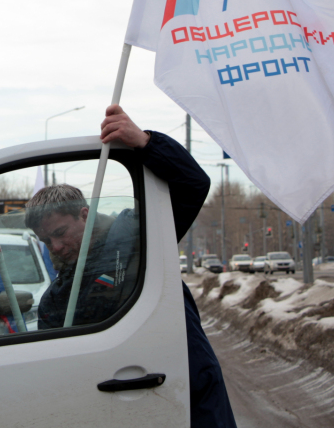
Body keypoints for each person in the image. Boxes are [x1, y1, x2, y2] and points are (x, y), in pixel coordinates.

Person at [25, 104, 237, 428]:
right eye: (45, 240)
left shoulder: (137, 235)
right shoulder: (55, 301)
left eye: (60, 233)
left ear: (84, 214)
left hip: (183, 393)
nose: (55, 247)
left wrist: (147, 144)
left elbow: (193, 184)